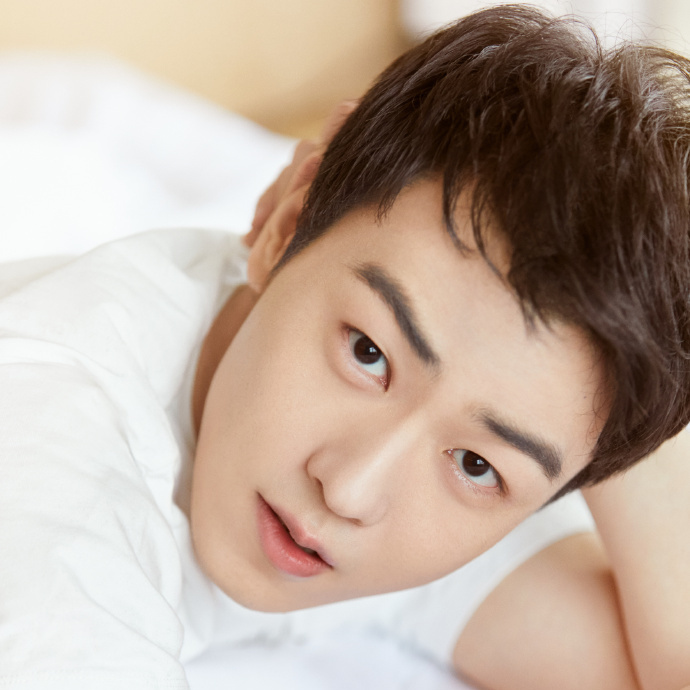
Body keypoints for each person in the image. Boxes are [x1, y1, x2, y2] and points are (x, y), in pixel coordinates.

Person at [1, 5, 688, 689]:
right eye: (367, 354)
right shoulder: (48, 436)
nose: (350, 490)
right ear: (285, 220)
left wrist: (635, 362)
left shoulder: (414, 488)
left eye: (477, 464)